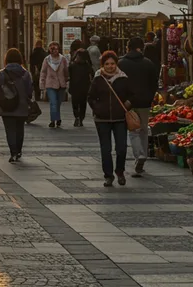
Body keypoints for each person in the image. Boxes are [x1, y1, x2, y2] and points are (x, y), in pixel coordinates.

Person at [88, 50, 132, 187]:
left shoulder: (123, 78)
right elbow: (91, 97)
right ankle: (108, 175)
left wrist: (127, 105)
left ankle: (120, 171)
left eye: (112, 63)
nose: (110, 66)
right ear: (103, 65)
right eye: (107, 64)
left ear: (116, 64)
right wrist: (98, 109)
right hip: (102, 119)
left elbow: (132, 95)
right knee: (105, 149)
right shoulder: (98, 79)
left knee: (121, 148)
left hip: (120, 118)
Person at [118, 36, 160, 177]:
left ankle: (139, 155)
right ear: (140, 48)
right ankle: (142, 155)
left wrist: (124, 100)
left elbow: (118, 84)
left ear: (128, 47)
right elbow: (154, 84)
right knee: (143, 129)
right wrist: (149, 97)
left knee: (133, 130)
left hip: (128, 103)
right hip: (145, 102)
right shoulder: (148, 64)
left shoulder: (121, 63)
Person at [0, 48, 33, 163]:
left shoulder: (1, 74)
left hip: (6, 105)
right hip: (21, 106)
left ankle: (13, 152)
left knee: (10, 130)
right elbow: (29, 91)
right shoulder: (25, 74)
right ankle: (19, 151)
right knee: (19, 128)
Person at [38, 41, 69, 129]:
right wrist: (42, 84)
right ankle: (53, 120)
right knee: (53, 103)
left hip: (61, 84)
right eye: (52, 49)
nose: (54, 50)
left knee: (58, 103)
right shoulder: (47, 60)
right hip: (50, 84)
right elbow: (43, 72)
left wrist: (66, 80)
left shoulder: (62, 59)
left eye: (55, 48)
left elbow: (66, 71)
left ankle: (57, 118)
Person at [67, 43, 93, 127]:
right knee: (82, 104)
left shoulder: (73, 65)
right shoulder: (87, 66)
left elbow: (69, 76)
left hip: (76, 87)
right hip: (83, 88)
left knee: (76, 103)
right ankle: (80, 118)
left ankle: (77, 117)